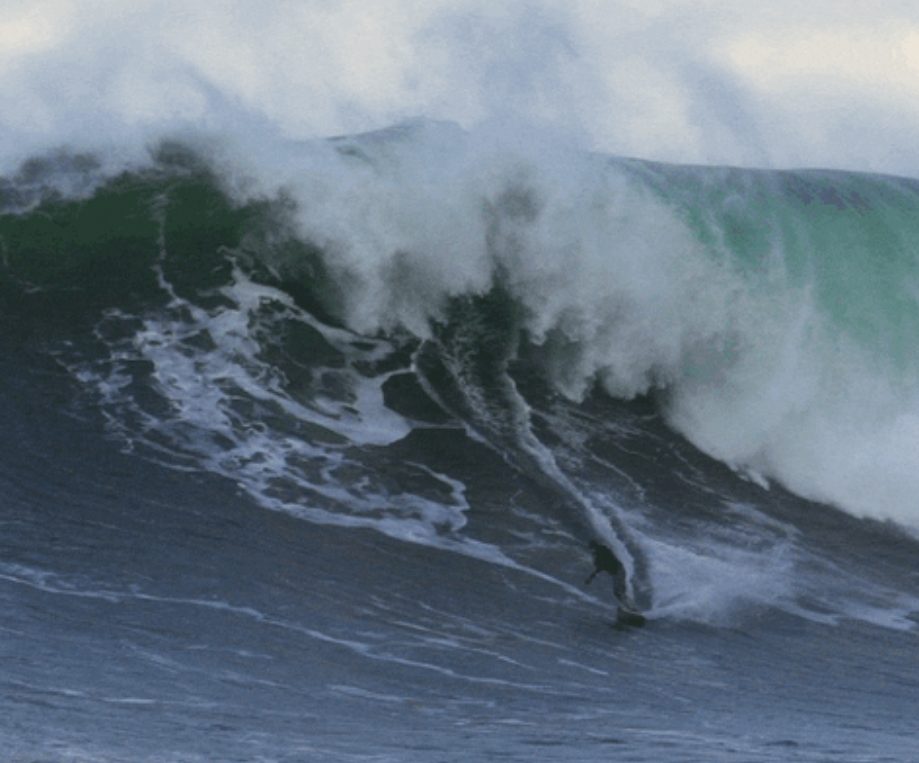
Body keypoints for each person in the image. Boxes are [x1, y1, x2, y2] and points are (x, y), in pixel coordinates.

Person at [584, 539, 629, 605]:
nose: (591, 551)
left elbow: (600, 567)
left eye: (591, 548)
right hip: (619, 569)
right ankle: (627, 604)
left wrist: (590, 578)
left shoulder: (600, 554)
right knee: (620, 590)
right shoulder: (602, 550)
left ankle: (627, 605)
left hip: (618, 571)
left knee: (617, 592)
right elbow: (600, 566)